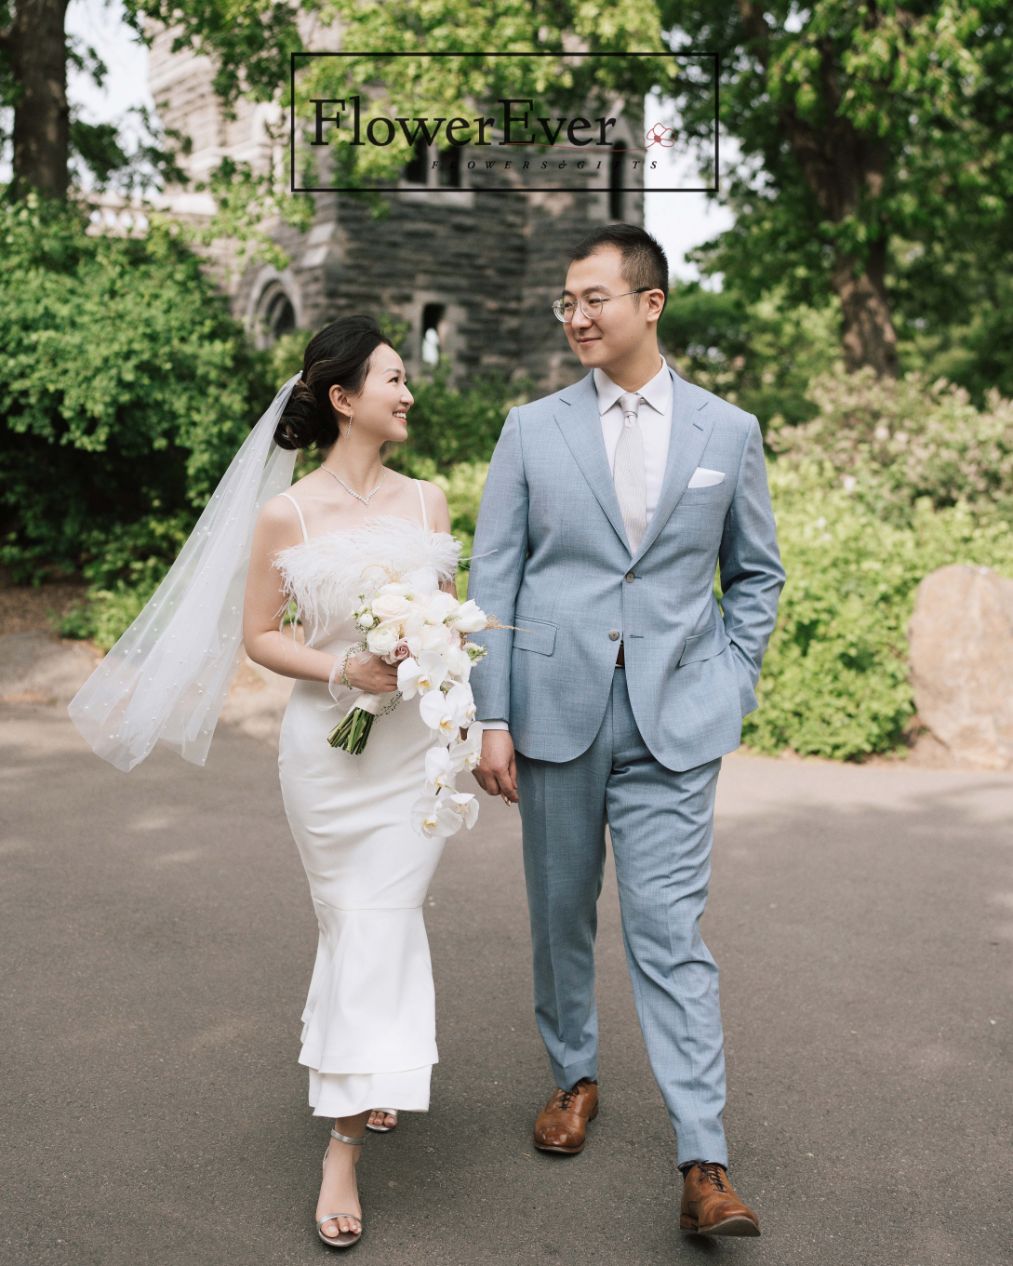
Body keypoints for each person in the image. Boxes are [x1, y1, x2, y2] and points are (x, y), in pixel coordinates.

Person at [69, 315, 465, 1250]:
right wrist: (345, 671)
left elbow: (448, 630)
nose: (408, 393)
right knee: (354, 922)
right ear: (341, 398)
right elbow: (259, 635)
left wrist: (455, 706)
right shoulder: (286, 513)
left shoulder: (429, 503)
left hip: (414, 757)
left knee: (381, 921)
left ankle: (358, 1093)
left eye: (406, 379)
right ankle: (347, 1126)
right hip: (329, 755)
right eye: (393, 379)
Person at [467, 224, 785, 1238]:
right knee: (560, 917)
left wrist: (726, 683)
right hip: (554, 713)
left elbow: (755, 574)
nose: (574, 315)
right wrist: (491, 713)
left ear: (648, 304)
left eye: (592, 297)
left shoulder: (725, 431)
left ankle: (704, 1159)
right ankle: (572, 1078)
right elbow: (494, 579)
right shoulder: (530, 428)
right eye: (565, 301)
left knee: (668, 933)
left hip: (674, 723)